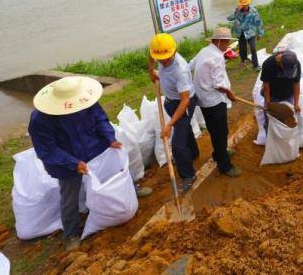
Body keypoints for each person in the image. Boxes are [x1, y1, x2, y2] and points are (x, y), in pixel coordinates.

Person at [28, 76, 152, 250]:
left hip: (94, 148)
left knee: (116, 170)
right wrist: (73, 163)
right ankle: (71, 233)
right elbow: (47, 150)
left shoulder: (85, 102)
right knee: (69, 196)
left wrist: (110, 138)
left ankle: (132, 190)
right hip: (66, 163)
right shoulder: (40, 120)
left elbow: (100, 119)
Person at [147, 33, 198, 194]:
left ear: (174, 51)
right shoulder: (161, 54)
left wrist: (169, 125)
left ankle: (188, 175)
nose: (163, 62)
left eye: (166, 59)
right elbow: (153, 69)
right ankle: (194, 153)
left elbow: (185, 102)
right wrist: (151, 67)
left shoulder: (180, 70)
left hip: (183, 103)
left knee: (177, 145)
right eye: (159, 59)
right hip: (171, 101)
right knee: (185, 130)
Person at [189, 27, 241, 177]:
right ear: (219, 41)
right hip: (214, 100)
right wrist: (230, 94)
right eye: (226, 42)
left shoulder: (204, 51)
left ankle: (219, 152)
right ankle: (225, 165)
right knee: (220, 131)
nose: (227, 45)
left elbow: (190, 65)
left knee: (214, 129)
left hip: (204, 99)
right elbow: (219, 84)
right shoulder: (217, 57)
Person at [260, 49, 301, 129]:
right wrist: (268, 104)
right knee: (270, 120)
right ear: (280, 63)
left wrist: (296, 104)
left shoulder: (296, 64)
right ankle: (269, 137)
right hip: (272, 95)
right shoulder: (268, 64)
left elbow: (296, 84)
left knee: (287, 121)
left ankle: (284, 140)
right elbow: (266, 86)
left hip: (288, 95)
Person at [228, 0, 265, 71]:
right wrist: (236, 11)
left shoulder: (253, 11)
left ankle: (256, 65)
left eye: (245, 5)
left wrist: (260, 33)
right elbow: (229, 18)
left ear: (248, 4)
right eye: (242, 5)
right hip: (240, 33)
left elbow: (258, 22)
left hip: (250, 33)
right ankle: (243, 61)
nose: (244, 6)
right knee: (242, 48)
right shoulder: (237, 11)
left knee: (253, 48)